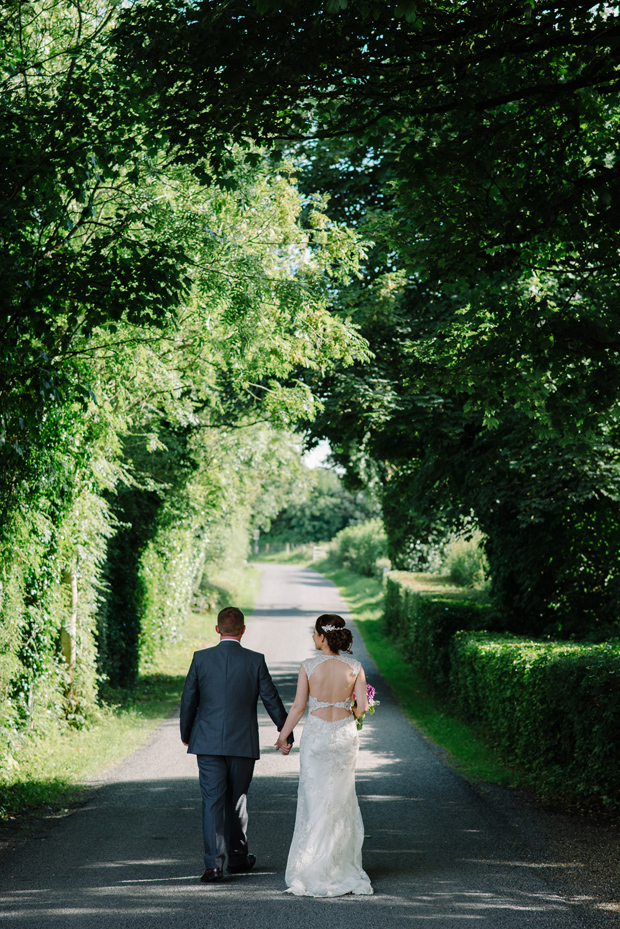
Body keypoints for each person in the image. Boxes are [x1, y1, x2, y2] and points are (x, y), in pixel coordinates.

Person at [180, 605, 292, 883]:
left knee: (212, 802)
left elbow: (189, 699)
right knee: (237, 799)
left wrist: (187, 733)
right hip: (242, 743)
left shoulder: (201, 658)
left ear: (217, 629)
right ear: (243, 630)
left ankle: (214, 866)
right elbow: (271, 698)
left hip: (206, 742)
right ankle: (239, 859)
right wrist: (285, 732)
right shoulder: (255, 660)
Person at [274, 613, 374, 897]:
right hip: (343, 735)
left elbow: (297, 707)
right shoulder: (355, 666)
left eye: (313, 633)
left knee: (315, 798)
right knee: (341, 798)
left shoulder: (308, 666)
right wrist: (348, 717)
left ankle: (313, 864)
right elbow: (362, 709)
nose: (312, 638)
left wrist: (283, 737)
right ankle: (339, 864)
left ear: (321, 635)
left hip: (317, 735)